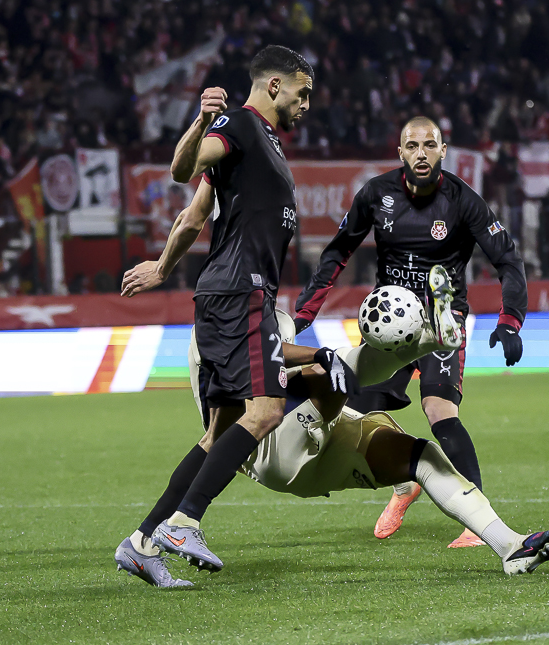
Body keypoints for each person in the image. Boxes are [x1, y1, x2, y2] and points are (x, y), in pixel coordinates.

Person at [116, 305, 549, 587]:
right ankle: (425, 340)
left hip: (315, 439)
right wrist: (319, 355)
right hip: (272, 446)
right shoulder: (222, 316)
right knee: (327, 373)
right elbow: (232, 412)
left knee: (422, 456)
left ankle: (511, 547)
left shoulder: (256, 301)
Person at [115, 45, 357, 573]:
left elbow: (193, 213)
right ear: (275, 86)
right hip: (239, 292)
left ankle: (142, 542)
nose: (307, 104)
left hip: (234, 294)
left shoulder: (259, 144)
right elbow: (185, 168)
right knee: (267, 411)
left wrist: (162, 266)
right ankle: (185, 524)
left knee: (220, 433)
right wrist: (202, 123)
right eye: (303, 92)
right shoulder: (241, 126)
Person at [294, 116, 528, 548]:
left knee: (440, 413)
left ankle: (477, 521)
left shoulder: (462, 200)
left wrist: (510, 319)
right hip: (391, 326)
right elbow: (339, 250)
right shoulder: (375, 194)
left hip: (442, 324)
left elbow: (508, 260)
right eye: (412, 145)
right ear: (400, 152)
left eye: (429, 145)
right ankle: (408, 480)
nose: (421, 152)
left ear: (444, 150)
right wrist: (305, 311)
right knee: (357, 410)